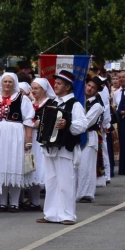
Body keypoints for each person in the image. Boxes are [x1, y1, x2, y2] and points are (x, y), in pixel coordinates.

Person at [36, 70, 87, 225]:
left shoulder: (75, 104)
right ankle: (51, 213)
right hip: (50, 147)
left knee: (66, 181)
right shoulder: (52, 103)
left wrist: (67, 123)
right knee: (51, 181)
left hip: (65, 147)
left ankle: (68, 214)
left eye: (59, 84)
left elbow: (82, 124)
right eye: (55, 83)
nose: (56, 86)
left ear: (67, 87)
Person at [0, 73, 36, 212]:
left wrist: (28, 139)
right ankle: (2, 202)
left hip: (16, 134)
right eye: (5, 81)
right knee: (1, 167)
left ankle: (15, 202)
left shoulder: (22, 99)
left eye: (10, 82)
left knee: (15, 166)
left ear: (14, 83)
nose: (7, 84)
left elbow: (28, 120)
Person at [75, 76, 106, 204]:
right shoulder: (79, 100)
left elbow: (86, 122)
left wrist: (71, 125)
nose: (89, 89)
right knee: (77, 164)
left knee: (86, 165)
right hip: (77, 135)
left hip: (89, 135)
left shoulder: (97, 105)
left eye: (93, 88)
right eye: (88, 86)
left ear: (97, 91)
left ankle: (86, 193)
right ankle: (76, 192)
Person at [26, 78, 55, 211]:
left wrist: (41, 124)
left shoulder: (50, 103)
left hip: (43, 140)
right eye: (32, 88)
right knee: (32, 168)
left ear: (44, 90)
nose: (33, 91)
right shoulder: (30, 103)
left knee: (43, 169)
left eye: (36, 88)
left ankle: (51, 201)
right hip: (31, 139)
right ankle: (34, 201)